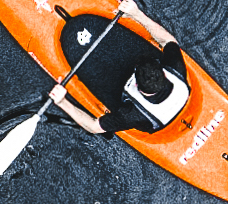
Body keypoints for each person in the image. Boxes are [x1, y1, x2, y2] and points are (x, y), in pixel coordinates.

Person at [56, 8, 191, 133]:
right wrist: (136, 13)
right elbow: (169, 40)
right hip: (160, 101)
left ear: (136, 84)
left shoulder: (131, 115)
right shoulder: (176, 69)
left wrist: (62, 102)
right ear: (163, 73)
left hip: (147, 117)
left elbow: (93, 127)